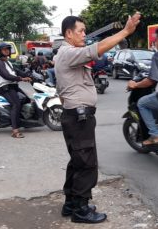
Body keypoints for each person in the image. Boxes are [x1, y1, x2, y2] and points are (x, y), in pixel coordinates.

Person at [55, 12, 141, 224]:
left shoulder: (68, 53)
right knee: (86, 163)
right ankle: (81, 210)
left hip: (77, 116)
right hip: (79, 117)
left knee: (77, 161)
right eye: (81, 31)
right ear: (68, 33)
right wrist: (125, 32)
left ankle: (71, 203)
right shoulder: (67, 52)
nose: (84, 34)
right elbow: (98, 48)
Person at [0, 43, 32, 138]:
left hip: (12, 86)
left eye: (8, 49)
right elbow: (7, 76)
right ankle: (15, 130)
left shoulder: (7, 62)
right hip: (4, 87)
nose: (7, 51)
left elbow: (17, 71)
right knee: (16, 104)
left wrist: (30, 75)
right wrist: (22, 79)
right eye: (4, 49)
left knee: (27, 99)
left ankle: (22, 121)